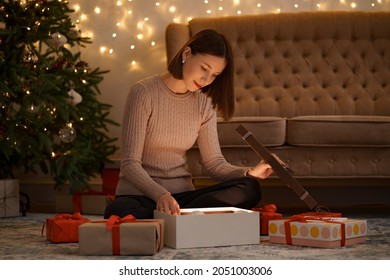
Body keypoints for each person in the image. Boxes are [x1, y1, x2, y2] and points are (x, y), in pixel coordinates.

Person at [104, 29, 280, 219]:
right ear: (186, 54)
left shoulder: (204, 103)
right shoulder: (143, 92)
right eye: (204, 68)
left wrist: (250, 172)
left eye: (215, 74)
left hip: (183, 199)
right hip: (141, 196)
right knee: (117, 210)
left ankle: (176, 218)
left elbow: (215, 164)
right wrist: (160, 194)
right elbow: (130, 164)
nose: (206, 80)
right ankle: (186, 219)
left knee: (249, 188)